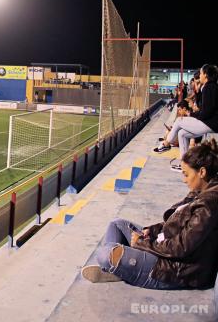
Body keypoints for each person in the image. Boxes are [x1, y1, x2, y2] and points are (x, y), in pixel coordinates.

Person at [82, 139, 218, 289]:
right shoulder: (200, 192)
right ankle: (120, 266)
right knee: (117, 224)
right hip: (164, 246)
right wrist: (151, 231)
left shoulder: (208, 205)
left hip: (176, 270)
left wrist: (142, 242)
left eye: (186, 174)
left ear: (202, 172)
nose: (183, 180)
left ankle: (118, 267)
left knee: (104, 254)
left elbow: (181, 247)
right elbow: (175, 223)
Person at [155, 64, 218, 171]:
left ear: (206, 75)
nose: (200, 76)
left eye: (201, 73)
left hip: (210, 124)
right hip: (211, 123)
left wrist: (191, 114)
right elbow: (206, 111)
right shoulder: (212, 87)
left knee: (179, 120)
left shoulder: (208, 87)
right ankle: (185, 165)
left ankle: (166, 144)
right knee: (182, 133)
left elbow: (206, 113)